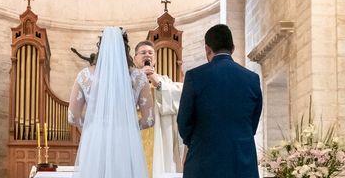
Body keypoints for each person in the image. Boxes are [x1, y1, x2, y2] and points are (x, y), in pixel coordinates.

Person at [177, 24, 262, 178]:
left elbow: (183, 122)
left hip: (203, 161)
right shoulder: (252, 78)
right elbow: (253, 122)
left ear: (207, 49)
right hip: (242, 161)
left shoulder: (194, 77)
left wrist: (198, 141)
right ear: (233, 48)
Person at [68, 27, 154, 178]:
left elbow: (72, 116)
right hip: (125, 142)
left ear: (100, 47)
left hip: (95, 142)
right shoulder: (138, 77)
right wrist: (130, 126)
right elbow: (149, 120)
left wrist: (89, 126)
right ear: (125, 48)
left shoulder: (85, 76)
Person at [134, 40, 184, 178]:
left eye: (150, 53)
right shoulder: (127, 79)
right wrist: (138, 79)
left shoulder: (164, 80)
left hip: (159, 137)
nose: (147, 55)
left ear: (154, 59)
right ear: (135, 58)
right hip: (135, 135)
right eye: (143, 53)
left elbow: (180, 96)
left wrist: (160, 85)